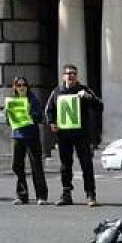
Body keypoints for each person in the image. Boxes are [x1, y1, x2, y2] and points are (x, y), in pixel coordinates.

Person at [44, 64, 103, 207]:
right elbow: (49, 110)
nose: (71, 76)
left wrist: (88, 97)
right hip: (63, 135)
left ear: (77, 76)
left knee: (86, 164)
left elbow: (99, 107)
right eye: (68, 73)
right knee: (65, 165)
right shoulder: (57, 91)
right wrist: (51, 123)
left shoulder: (84, 90)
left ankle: (90, 194)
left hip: (82, 134)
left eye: (73, 74)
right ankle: (66, 194)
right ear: (63, 76)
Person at [5, 76, 48, 205]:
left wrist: (30, 114)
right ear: (15, 87)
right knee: (17, 166)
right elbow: (8, 122)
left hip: (31, 136)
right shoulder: (12, 101)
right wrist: (8, 113)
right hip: (17, 136)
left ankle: (41, 196)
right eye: (19, 85)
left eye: (24, 85)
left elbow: (40, 116)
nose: (22, 87)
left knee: (36, 166)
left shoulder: (32, 99)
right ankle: (22, 195)